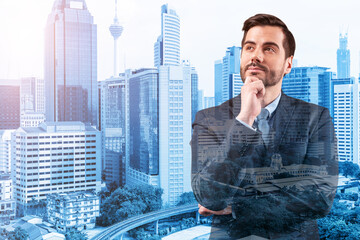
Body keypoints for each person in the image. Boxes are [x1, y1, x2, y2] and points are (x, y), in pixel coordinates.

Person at [191, 13, 338, 239]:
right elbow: (209, 196)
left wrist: (238, 206)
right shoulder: (209, 119)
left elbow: (319, 198)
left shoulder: (315, 118)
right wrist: (244, 120)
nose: (256, 56)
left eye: (269, 49)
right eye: (249, 48)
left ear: (288, 63)